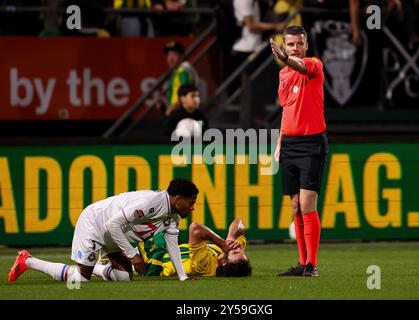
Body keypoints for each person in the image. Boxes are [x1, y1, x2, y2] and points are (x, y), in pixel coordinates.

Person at [8, 179, 199, 283]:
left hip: (114, 233)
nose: (192, 208)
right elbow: (111, 225)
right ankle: (28, 261)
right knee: (81, 279)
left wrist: (183, 277)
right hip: (96, 222)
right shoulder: (150, 203)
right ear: (177, 198)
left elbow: (172, 243)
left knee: (124, 278)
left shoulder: (173, 215)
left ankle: (98, 266)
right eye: (191, 203)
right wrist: (133, 255)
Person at [270, 25, 328, 277]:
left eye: (299, 43)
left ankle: (312, 264)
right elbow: (287, 110)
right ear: (284, 45)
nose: (295, 48)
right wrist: (280, 143)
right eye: (290, 44)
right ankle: (302, 263)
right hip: (290, 145)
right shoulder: (283, 74)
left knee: (306, 204)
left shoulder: (314, 64)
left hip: (312, 143)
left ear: (306, 45)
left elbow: (302, 66)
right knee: (295, 206)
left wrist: (286, 59)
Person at [95, 218, 252, 278]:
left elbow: (195, 228)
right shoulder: (231, 249)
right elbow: (239, 223)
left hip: (156, 263)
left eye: (236, 253)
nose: (238, 249)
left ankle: (101, 265)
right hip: (164, 250)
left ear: (224, 263)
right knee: (160, 225)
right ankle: (107, 254)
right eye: (241, 251)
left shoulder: (205, 264)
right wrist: (231, 236)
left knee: (155, 230)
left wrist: (221, 242)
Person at [161, 41, 199, 116]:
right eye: (168, 55)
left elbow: (186, 95)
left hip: (183, 114)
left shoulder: (183, 71)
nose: (170, 59)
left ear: (182, 56)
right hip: (178, 112)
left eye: (174, 54)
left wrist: (172, 108)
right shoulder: (176, 71)